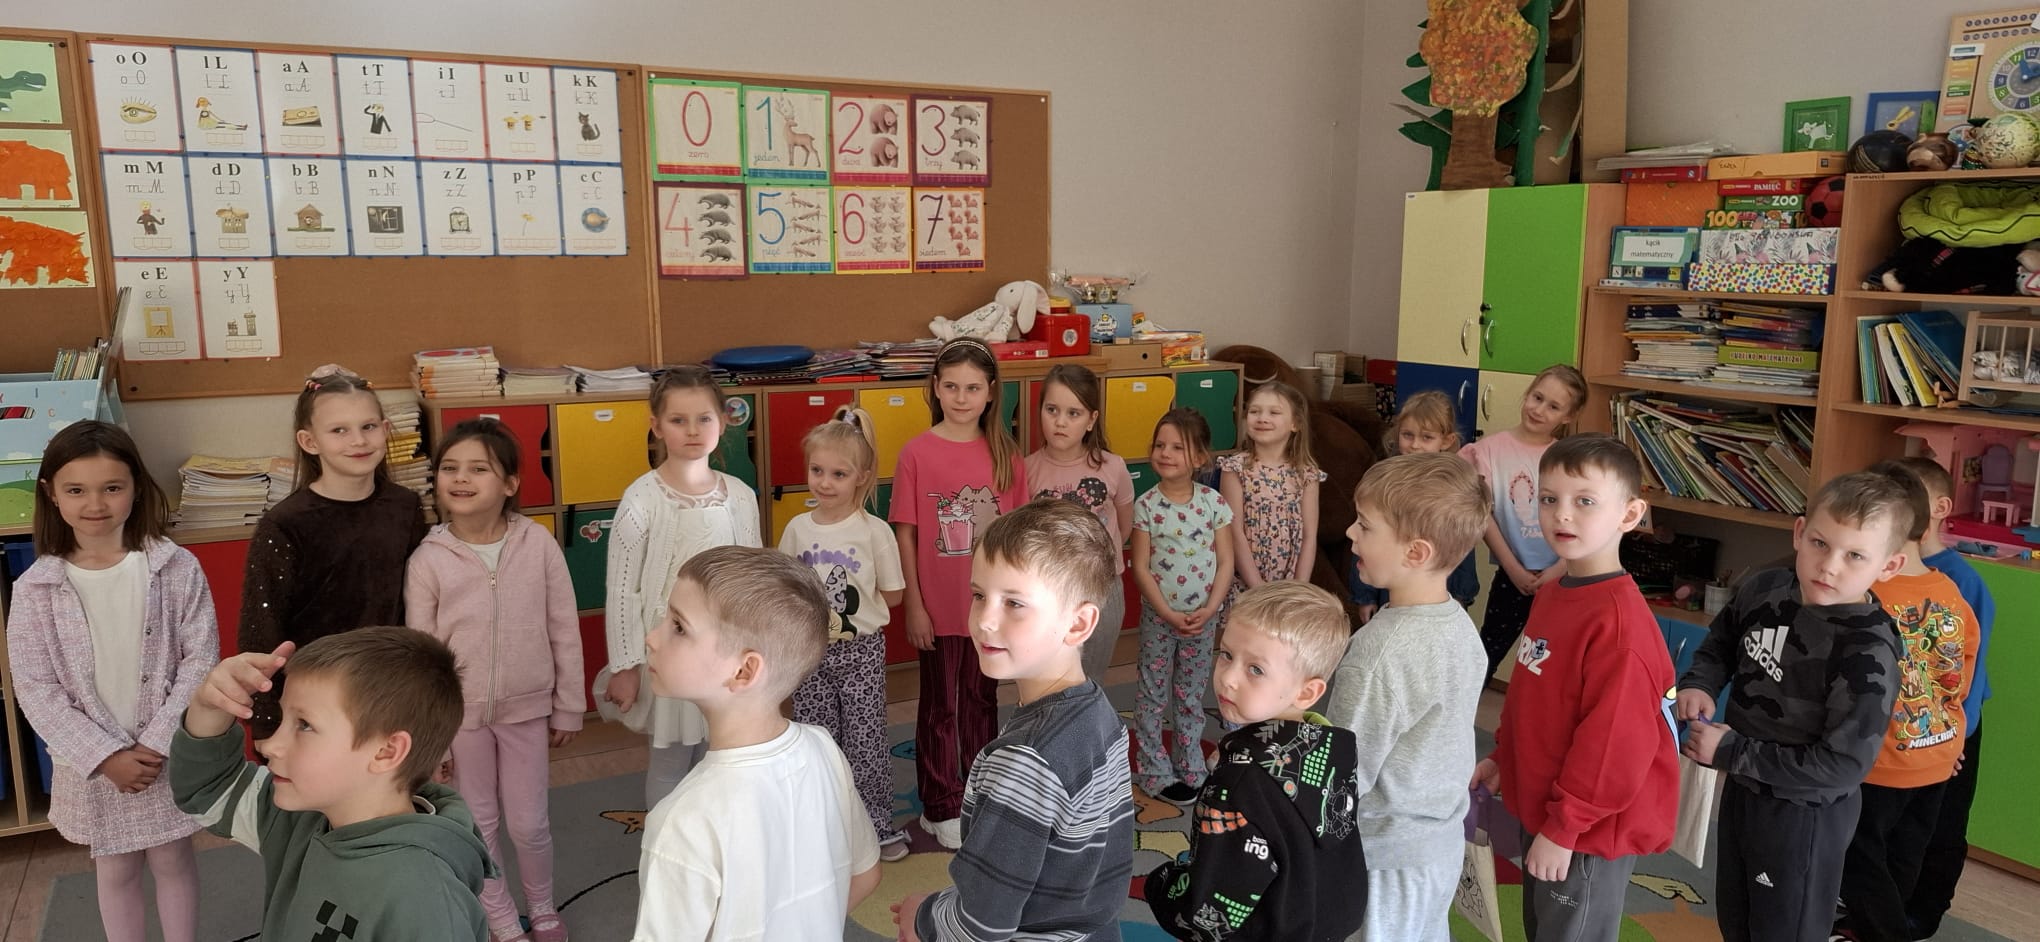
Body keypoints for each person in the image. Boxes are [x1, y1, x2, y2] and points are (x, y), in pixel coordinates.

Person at [1675, 471, 1911, 942]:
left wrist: (1732, 752)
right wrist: (1701, 683)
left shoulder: (1867, 651)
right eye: (1821, 543)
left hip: (1805, 815)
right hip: (1744, 789)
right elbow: (1720, 642)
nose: (1829, 566)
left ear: (1889, 565)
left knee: (1786, 929)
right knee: (1737, 918)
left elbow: (1843, 766)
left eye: (1855, 555)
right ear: (1800, 532)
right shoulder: (1765, 588)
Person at [6, 421, 216, 942]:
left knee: (173, 858)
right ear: (51, 494)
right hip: (95, 766)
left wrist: (156, 742)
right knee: (116, 867)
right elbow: (36, 688)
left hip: (164, 754)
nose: (95, 504)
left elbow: (200, 660)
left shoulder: (175, 567)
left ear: (135, 487)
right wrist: (105, 756)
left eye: (112, 487)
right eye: (77, 490)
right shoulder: (36, 587)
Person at [894, 498, 1134, 941]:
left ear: (1078, 624)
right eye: (979, 595)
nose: (985, 621)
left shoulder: (1025, 760)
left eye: (1015, 603)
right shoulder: (1102, 714)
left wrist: (922, 918)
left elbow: (981, 926)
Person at [1471, 434, 1678, 941]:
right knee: (1541, 928)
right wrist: (1503, 757)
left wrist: (1566, 828)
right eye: (1549, 498)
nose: (1561, 514)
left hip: (1585, 830)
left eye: (1585, 501)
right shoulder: (1555, 593)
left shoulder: (1620, 627)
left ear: (1630, 515)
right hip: (1546, 806)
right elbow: (1532, 698)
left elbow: (1614, 748)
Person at [172, 628, 492, 939]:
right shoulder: (301, 816)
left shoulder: (426, 903)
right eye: (284, 719)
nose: (270, 746)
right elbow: (208, 788)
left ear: (386, 752)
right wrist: (209, 709)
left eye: (304, 725)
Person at [630, 546, 881, 940]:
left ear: (744, 671)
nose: (651, 637)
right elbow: (865, 875)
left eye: (678, 627)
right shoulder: (824, 750)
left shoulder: (682, 822)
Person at [406, 418, 585, 942]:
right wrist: (433, 735)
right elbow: (423, 655)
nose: (460, 478)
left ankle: (542, 907)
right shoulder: (427, 560)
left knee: (530, 823)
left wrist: (569, 705)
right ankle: (503, 920)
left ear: (509, 484)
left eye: (478, 469)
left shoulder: (538, 543)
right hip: (459, 720)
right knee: (477, 824)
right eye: (449, 468)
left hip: (527, 709)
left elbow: (564, 627)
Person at [1145, 581, 1368, 941]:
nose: (1228, 679)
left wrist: (1161, 884)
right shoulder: (1332, 751)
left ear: (1306, 692)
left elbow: (1207, 914)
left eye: (1256, 669)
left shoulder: (1237, 784)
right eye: (1226, 654)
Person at [1329, 452, 1491, 941]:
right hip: (1439, 844)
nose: (1351, 533)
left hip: (1382, 856)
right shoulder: (1461, 624)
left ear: (1416, 552)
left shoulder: (1376, 652)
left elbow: (1343, 772)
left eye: (1365, 525)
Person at [603, 365, 761, 808]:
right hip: (670, 652)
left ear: (723, 422)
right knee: (671, 763)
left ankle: (713, 840)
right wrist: (625, 665)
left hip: (726, 650)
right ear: (656, 426)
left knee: (721, 755)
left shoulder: (740, 496)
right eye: (678, 420)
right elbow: (622, 590)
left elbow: (754, 578)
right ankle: (664, 841)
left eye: (703, 419)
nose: (692, 430)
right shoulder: (642, 499)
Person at [241, 364, 427, 740]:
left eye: (368, 426)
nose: (358, 441)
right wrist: (266, 722)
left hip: (388, 686)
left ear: (385, 430)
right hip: (314, 697)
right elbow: (262, 629)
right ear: (310, 442)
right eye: (339, 430)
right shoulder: (285, 523)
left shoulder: (405, 506)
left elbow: (418, 602)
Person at [890, 339, 1027, 848]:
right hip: (938, 609)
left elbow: (1017, 538)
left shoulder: (1006, 456)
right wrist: (914, 604)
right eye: (951, 387)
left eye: (972, 388)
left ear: (990, 393)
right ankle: (941, 804)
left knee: (980, 701)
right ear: (935, 388)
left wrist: (1013, 607)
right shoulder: (916, 453)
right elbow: (906, 533)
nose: (962, 398)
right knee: (940, 707)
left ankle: (978, 793)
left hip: (988, 611)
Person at [1833, 462, 1978, 942]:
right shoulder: (1951, 593)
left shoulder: (1867, 594)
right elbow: (1960, 677)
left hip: (1882, 762)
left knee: (1858, 856)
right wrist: (1951, 739)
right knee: (1903, 856)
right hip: (1936, 755)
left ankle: (1883, 931)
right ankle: (1868, 927)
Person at [778, 407, 911, 861]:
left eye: (839, 473)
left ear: (862, 477)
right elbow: (786, 589)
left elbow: (894, 595)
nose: (825, 482)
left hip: (861, 652)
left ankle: (875, 826)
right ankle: (823, 826)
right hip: (810, 653)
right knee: (816, 740)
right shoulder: (797, 529)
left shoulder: (875, 532)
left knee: (865, 740)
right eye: (817, 470)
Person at [1884, 458, 1997, 939]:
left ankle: (1923, 913)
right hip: (1902, 732)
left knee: (1942, 828)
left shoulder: (1962, 581)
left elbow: (1970, 669)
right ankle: (1883, 905)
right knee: (1896, 828)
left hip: (1951, 733)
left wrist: (1955, 739)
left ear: (1939, 508)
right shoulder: (1882, 570)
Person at [1130, 408, 1235, 803]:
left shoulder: (1214, 503)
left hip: (1202, 620)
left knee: (1191, 694)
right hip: (1160, 619)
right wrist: (1166, 612)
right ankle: (1154, 771)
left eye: (1178, 447)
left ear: (1200, 457)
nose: (1166, 453)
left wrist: (1212, 608)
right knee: (1153, 694)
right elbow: (1140, 566)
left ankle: (1190, 764)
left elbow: (1226, 562)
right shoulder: (1147, 506)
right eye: (1160, 445)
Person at [1461, 364, 1587, 677]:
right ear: (1527, 394)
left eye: (1553, 406)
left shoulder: (1569, 459)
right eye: (1537, 397)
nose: (1539, 410)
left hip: (1563, 577)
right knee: (1485, 658)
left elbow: (1583, 520)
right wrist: (1513, 568)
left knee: (1555, 667)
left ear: (1568, 416)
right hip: (1512, 575)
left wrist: (1560, 568)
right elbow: (1483, 515)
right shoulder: (1487, 451)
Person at [1025, 363, 1135, 682]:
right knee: (1047, 680)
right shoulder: (1026, 470)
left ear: (1091, 420)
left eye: (1073, 413)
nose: (1060, 422)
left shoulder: (1113, 467)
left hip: (1102, 590)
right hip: (1048, 591)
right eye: (1052, 410)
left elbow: (1124, 527)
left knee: (1091, 679)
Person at [1349, 390, 1478, 621]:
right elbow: (1366, 535)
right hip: (1390, 590)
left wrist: (1461, 595)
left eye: (1426, 437)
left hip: (1437, 594)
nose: (1415, 445)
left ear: (1446, 441)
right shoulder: (1386, 482)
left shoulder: (1451, 487)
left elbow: (1463, 545)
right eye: (1408, 435)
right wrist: (1365, 595)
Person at [1219, 381, 1325, 594]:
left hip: (1288, 587)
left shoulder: (1306, 474)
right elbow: (1234, 532)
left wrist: (1299, 588)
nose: (1262, 418)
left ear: (1295, 423)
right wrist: (1259, 589)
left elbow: (1309, 536)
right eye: (1254, 411)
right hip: (1246, 585)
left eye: (1274, 412)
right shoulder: (1235, 468)